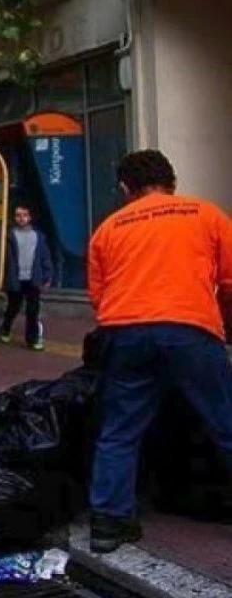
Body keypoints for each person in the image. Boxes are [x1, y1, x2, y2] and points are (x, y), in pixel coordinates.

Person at [86, 149, 232, 553]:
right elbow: (230, 281)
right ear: (173, 182)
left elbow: (99, 296)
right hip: (190, 329)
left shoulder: (108, 228)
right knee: (225, 423)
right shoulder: (206, 214)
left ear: (124, 188)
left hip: (125, 332)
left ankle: (108, 524)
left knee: (120, 430)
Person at [0, 204, 54, 350]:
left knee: (33, 311)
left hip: (33, 278)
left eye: (24, 215)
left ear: (30, 217)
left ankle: (32, 340)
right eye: (18, 215)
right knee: (13, 307)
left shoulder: (38, 236)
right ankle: (5, 328)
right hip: (15, 278)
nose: (21, 218)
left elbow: (45, 257)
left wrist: (47, 275)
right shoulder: (9, 236)